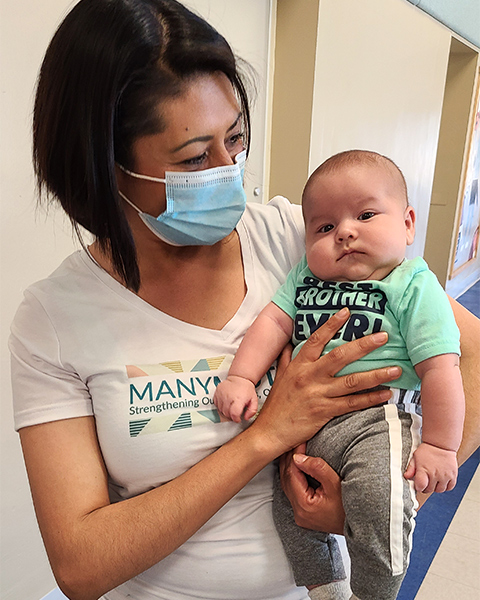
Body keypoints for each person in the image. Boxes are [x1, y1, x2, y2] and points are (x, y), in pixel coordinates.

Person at [8, 1, 480, 600]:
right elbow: (80, 566)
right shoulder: (53, 319)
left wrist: (385, 501)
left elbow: (470, 351)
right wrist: (265, 434)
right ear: (104, 167)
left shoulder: (302, 240)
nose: (229, 172)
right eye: (195, 158)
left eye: (236, 139)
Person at [213, 150, 465, 600]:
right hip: (301, 428)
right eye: (325, 228)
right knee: (288, 510)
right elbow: (272, 323)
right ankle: (326, 587)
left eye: (366, 215)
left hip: (374, 421)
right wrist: (241, 378)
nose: (345, 232)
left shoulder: (411, 285)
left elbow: (442, 368)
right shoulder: (304, 278)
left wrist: (441, 445)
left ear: (407, 223)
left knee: (376, 502)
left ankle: (373, 594)